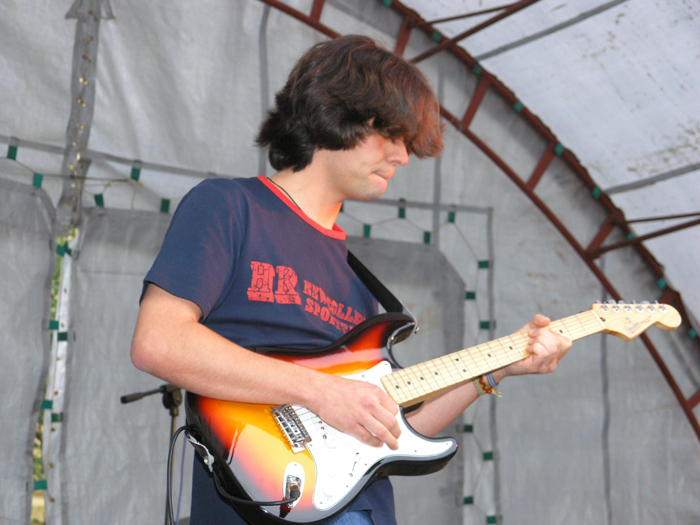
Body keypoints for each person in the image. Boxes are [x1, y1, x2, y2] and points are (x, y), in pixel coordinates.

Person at [130, 34, 572, 525]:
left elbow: (389, 428)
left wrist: (496, 369)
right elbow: (159, 342)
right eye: (393, 135)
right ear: (334, 112)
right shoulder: (229, 207)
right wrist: (320, 392)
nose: (402, 157)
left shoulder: (359, 284)